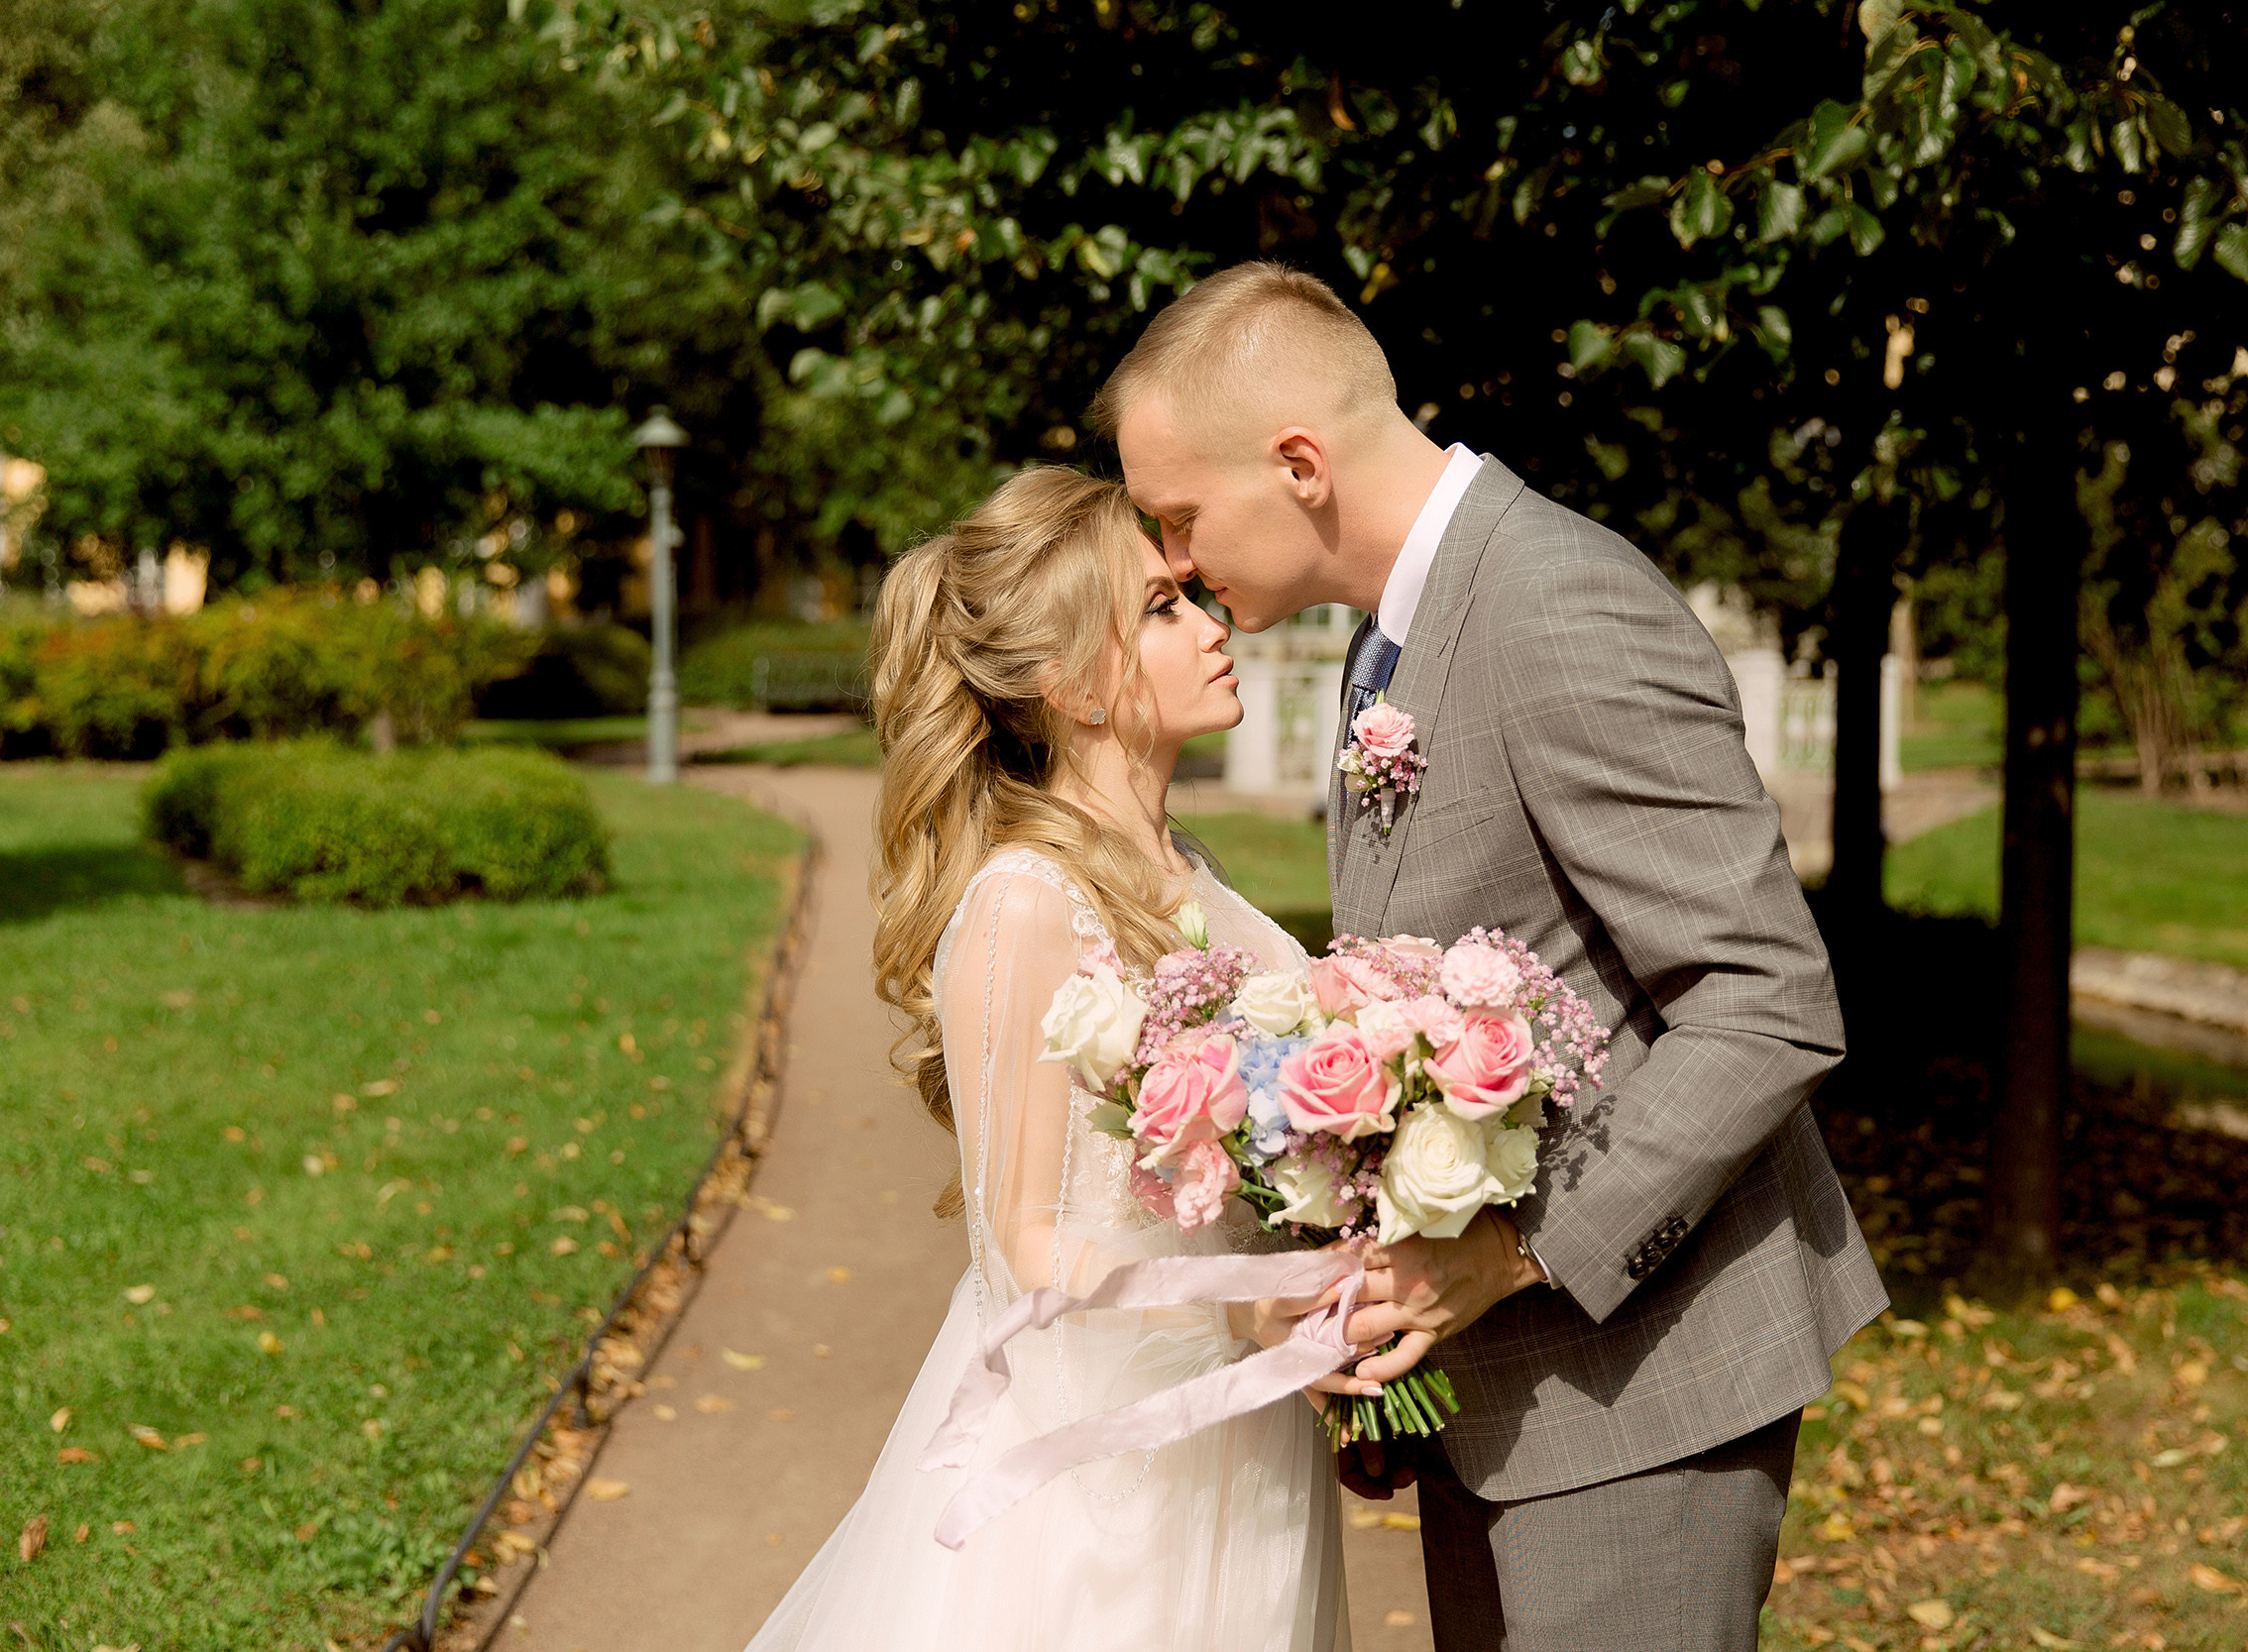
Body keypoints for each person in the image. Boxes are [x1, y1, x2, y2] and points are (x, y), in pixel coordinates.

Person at [1096, 262, 1890, 1651]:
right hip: (1506, 1402)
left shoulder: (1554, 605)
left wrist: (1518, 1249)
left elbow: (1770, 994)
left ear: (1298, 463)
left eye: (1177, 515)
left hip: (1643, 1391)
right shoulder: (1388, 641)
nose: (1170, 559)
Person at [740, 466, 1366, 1652]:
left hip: (1241, 1433)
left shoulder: (1190, 869)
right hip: (1097, 1465)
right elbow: (1020, 1246)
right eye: (1161, 609)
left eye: (1191, 598)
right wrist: (1245, 1312)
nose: (1212, 624)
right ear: (1071, 683)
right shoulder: (1023, 902)